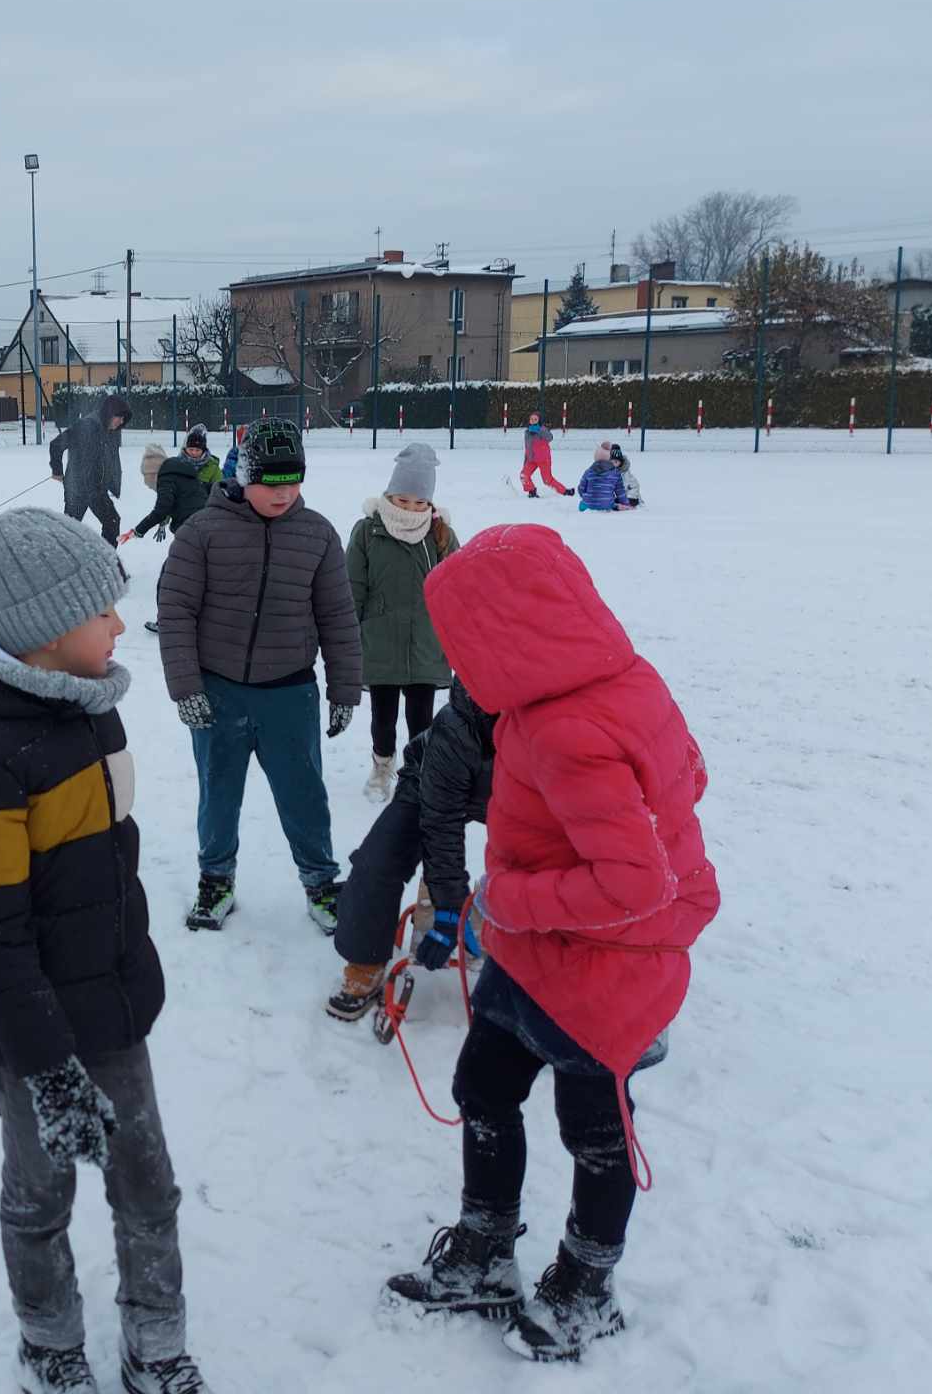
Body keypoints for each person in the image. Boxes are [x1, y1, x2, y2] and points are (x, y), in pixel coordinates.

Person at [384, 524, 719, 1364]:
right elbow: (690, 773)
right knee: (483, 1084)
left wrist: (507, 898)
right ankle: (487, 1249)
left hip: (606, 969)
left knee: (594, 1127)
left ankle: (585, 1286)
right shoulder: (621, 681)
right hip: (541, 958)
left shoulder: (565, 727)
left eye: (464, 648)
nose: (458, 669)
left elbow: (636, 884)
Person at [0, 508, 209, 1394]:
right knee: (40, 1200)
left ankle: (156, 1344)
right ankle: (50, 1344)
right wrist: (46, 1072)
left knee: (148, 1190)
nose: (122, 626)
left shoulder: (89, 713)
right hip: (29, 1040)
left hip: (111, 1013)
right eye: (104, 612)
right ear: (47, 632)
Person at [156, 417, 364, 934]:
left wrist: (343, 690)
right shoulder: (202, 531)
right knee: (218, 793)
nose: (283, 494)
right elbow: (176, 608)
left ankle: (321, 881)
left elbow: (338, 616)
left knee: (304, 794)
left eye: (293, 481)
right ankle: (216, 878)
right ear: (243, 475)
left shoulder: (317, 534)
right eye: (270, 483)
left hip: (289, 693)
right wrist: (186, 687)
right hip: (218, 691)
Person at [325, 677, 493, 1021]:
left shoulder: (558, 720)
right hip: (432, 780)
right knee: (377, 862)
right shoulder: (458, 725)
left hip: (519, 795)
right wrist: (449, 905)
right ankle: (365, 960)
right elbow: (441, 821)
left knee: (548, 878)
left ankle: (543, 977)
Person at [348, 442, 459, 803]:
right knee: (383, 718)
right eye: (403, 499)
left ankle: (418, 771)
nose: (411, 508)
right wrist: (349, 637)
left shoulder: (441, 535)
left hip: (425, 646)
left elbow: (458, 592)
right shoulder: (368, 532)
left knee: (421, 719)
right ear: (390, 494)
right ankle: (382, 766)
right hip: (380, 644)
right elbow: (353, 587)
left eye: (419, 502)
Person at [48, 393, 131, 543]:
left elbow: (109, 459)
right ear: (109, 413)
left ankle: (106, 560)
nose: (121, 421)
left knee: (112, 522)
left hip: (97, 489)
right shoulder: (85, 425)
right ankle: (61, 559)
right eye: (119, 417)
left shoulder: (111, 431)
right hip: (78, 489)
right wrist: (57, 471)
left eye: (123, 418)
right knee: (69, 531)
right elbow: (56, 445)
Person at [123, 427, 214, 545]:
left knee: (179, 562)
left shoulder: (167, 479)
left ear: (153, 474)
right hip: (202, 525)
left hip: (191, 529)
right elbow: (204, 488)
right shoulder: (181, 472)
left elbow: (161, 509)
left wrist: (138, 531)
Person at [518, 412, 571, 498]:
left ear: (539, 420)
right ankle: (532, 491)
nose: (533, 421)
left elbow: (550, 438)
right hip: (531, 460)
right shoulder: (527, 433)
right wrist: (526, 460)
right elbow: (527, 448)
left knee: (547, 480)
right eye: (531, 419)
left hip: (543, 460)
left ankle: (565, 491)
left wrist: (541, 430)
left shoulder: (542, 430)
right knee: (523, 475)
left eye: (535, 419)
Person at [576, 442, 625, 512]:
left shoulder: (588, 471)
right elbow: (620, 491)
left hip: (589, 505)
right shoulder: (615, 473)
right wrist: (625, 503)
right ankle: (610, 505)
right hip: (607, 505)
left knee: (582, 505)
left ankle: (588, 504)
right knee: (610, 502)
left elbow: (581, 489)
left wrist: (587, 497)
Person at [609, 442, 642, 508]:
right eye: (611, 462)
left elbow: (635, 486)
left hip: (627, 496)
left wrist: (630, 496)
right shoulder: (608, 471)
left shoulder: (625, 473)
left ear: (620, 462)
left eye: (616, 462)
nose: (613, 464)